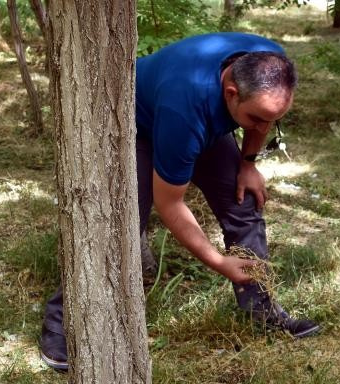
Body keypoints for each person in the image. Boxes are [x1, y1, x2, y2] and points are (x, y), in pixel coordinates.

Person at [40, 32, 320, 371]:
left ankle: (262, 314)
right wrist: (218, 261)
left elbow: (265, 118)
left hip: (197, 118)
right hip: (139, 124)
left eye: (272, 119)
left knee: (244, 202)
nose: (264, 127)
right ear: (231, 94)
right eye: (256, 120)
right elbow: (170, 204)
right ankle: (59, 324)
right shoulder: (184, 107)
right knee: (122, 225)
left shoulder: (270, 65)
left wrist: (248, 164)